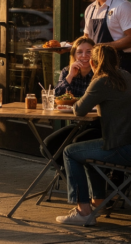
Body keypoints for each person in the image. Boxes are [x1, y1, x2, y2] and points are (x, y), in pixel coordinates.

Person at [57, 45, 131, 227]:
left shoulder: (101, 80)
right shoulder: (125, 75)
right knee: (86, 148)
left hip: (128, 149)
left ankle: (83, 212)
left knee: (70, 152)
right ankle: (98, 202)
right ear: (116, 61)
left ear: (93, 62)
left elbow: (78, 110)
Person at [41, 36, 100, 166]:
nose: (84, 56)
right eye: (79, 52)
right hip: (77, 123)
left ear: (95, 54)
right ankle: (70, 173)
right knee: (47, 146)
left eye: (89, 52)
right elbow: (57, 97)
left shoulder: (99, 73)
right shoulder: (67, 71)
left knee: (75, 145)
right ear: (74, 55)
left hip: (97, 125)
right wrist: (70, 76)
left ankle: (78, 176)